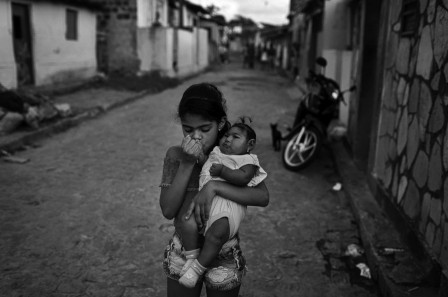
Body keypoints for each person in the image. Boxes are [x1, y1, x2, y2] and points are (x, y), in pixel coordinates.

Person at [159, 83, 269, 297]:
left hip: (222, 251)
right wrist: (188, 163)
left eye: (205, 129)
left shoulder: (233, 156)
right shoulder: (175, 155)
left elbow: (262, 196)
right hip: (183, 251)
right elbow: (168, 210)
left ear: (219, 124)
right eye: (188, 129)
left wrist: (214, 186)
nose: (197, 136)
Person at [178, 117, 267, 288]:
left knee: (216, 235)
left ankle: (196, 269)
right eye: (226, 135)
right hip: (205, 205)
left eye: (235, 137)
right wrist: (198, 156)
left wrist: (223, 171)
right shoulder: (217, 152)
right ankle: (191, 257)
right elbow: (206, 165)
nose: (228, 139)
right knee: (186, 222)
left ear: (250, 145)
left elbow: (243, 178)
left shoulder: (248, 161)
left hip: (227, 208)